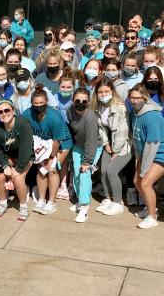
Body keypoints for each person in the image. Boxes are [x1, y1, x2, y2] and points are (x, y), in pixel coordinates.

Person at [22, 86, 72, 215]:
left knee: (52, 169)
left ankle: (52, 202)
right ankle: (41, 199)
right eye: (36, 104)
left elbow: (57, 141)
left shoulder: (54, 117)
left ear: (47, 103)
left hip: (60, 143)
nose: (38, 106)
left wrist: (51, 158)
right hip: (42, 143)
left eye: (41, 103)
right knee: (41, 170)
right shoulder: (27, 114)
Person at [91, 78, 131, 216]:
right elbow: (101, 128)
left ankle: (118, 202)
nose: (103, 94)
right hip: (109, 144)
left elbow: (122, 131)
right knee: (102, 171)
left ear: (112, 91)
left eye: (106, 91)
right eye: (100, 92)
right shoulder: (98, 107)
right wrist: (106, 144)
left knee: (112, 171)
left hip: (124, 146)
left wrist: (115, 151)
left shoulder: (119, 107)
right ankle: (108, 198)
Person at [0, 99, 33, 220]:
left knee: (18, 178)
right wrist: (4, 165)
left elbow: (26, 149)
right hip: (9, 157)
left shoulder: (23, 124)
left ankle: (23, 206)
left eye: (7, 110)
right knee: (0, 174)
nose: (4, 114)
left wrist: (17, 170)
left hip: (27, 157)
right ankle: (3, 203)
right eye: (0, 112)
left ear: (13, 111)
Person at [129, 84, 164, 229]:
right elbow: (137, 140)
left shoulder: (152, 116)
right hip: (144, 153)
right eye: (132, 97)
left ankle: (152, 217)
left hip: (160, 154)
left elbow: (153, 144)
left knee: (145, 183)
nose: (135, 101)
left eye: (138, 98)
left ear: (145, 98)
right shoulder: (135, 113)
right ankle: (151, 207)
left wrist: (144, 167)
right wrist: (139, 159)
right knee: (137, 181)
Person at [66, 88, 103, 223]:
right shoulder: (69, 111)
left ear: (88, 103)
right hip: (78, 146)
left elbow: (91, 141)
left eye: (84, 101)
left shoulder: (90, 118)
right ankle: (80, 199)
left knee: (84, 173)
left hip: (93, 147)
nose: (80, 103)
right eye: (77, 100)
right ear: (73, 100)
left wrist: (87, 162)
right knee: (76, 173)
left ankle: (84, 206)